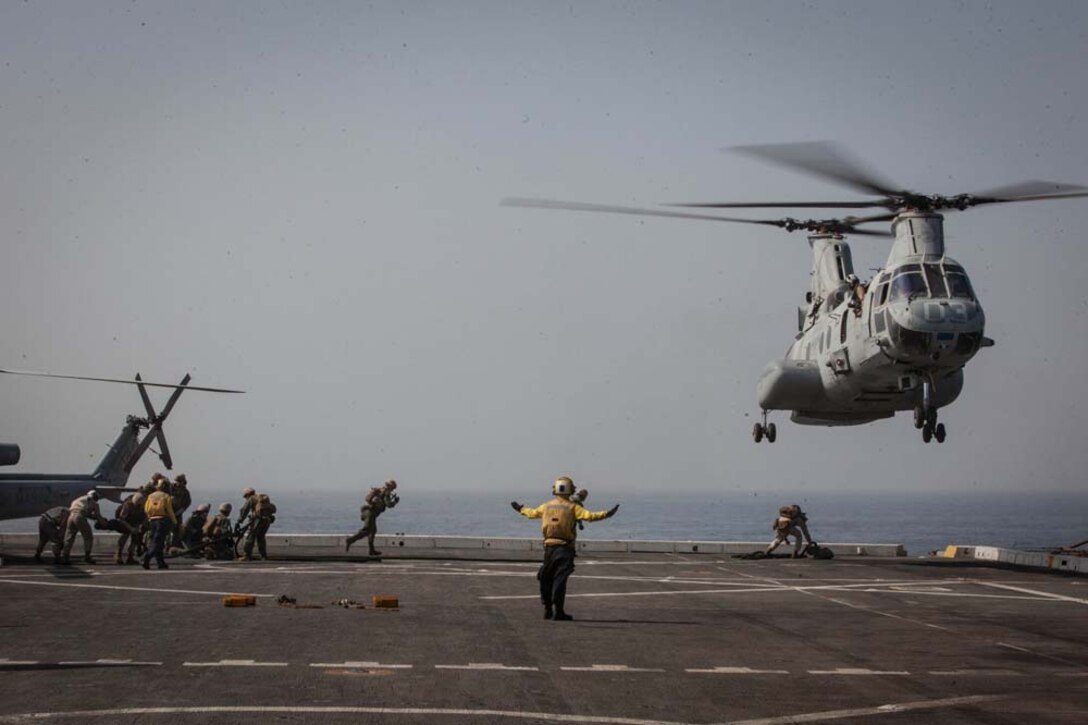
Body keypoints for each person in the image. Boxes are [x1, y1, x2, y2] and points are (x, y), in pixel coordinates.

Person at [511, 476, 619, 621]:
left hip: (549, 548)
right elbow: (590, 516)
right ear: (570, 490)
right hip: (565, 548)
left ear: (555, 489)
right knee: (560, 579)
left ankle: (547, 608)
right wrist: (608, 513)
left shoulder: (547, 506)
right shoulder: (574, 507)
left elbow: (531, 513)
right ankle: (559, 611)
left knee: (546, 577)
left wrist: (520, 508)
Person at [346, 480, 399, 556]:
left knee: (372, 531)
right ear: (390, 487)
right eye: (393, 488)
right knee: (367, 530)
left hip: (368, 512)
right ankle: (350, 540)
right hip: (370, 513)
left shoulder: (380, 490)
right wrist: (395, 502)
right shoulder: (386, 492)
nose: (393, 490)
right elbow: (389, 505)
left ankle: (371, 550)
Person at [142, 479, 177, 569]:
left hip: (152, 521)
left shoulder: (150, 496)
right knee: (158, 542)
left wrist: (149, 518)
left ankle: (160, 563)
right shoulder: (166, 496)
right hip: (162, 521)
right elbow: (169, 510)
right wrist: (174, 521)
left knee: (157, 542)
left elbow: (146, 509)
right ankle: (147, 556)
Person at [61, 490, 103, 564]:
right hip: (80, 517)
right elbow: (97, 515)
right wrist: (103, 522)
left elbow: (84, 512)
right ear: (95, 496)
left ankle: (65, 557)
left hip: (71, 516)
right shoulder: (94, 502)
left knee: (69, 537)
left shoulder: (79, 499)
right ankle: (87, 557)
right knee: (88, 537)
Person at [240, 493, 277, 561]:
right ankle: (263, 556)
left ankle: (247, 555)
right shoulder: (261, 498)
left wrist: (240, 521)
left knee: (250, 537)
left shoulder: (251, 499)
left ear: (247, 495)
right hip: (267, 520)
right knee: (261, 537)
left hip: (257, 520)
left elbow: (245, 510)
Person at [114, 492, 147, 565]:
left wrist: (140, 526)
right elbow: (121, 518)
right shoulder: (127, 505)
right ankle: (118, 555)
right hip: (126, 522)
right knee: (124, 537)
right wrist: (130, 528)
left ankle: (130, 557)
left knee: (135, 539)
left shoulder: (142, 506)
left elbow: (145, 517)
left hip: (135, 522)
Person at [169, 474, 192, 547]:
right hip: (168, 512)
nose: (177, 483)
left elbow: (187, 502)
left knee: (177, 529)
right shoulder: (170, 488)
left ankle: (175, 544)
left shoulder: (185, 492)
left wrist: (180, 511)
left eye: (179, 481)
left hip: (178, 514)